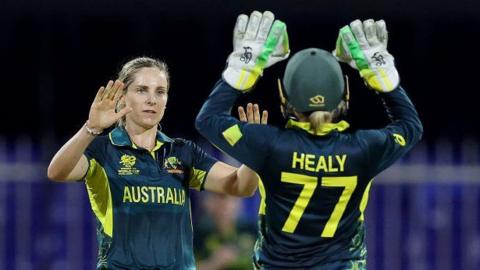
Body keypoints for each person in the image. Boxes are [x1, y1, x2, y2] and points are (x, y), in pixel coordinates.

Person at [196, 11, 423, 270]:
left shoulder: (269, 145)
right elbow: (411, 127)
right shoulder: (365, 149)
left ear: (284, 97)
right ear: (345, 94)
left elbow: (208, 119)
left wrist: (245, 66)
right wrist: (381, 75)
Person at [47, 56, 266, 270]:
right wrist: (90, 129)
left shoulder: (183, 151)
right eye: (142, 90)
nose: (152, 99)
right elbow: (57, 172)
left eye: (160, 92)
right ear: (122, 97)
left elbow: (241, 186)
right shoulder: (103, 150)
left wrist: (252, 154)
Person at [194, 193, 256, 270]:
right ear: (208, 203)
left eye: (228, 200)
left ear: (239, 203)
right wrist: (213, 263)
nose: (224, 205)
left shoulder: (250, 229)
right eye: (217, 198)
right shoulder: (199, 234)